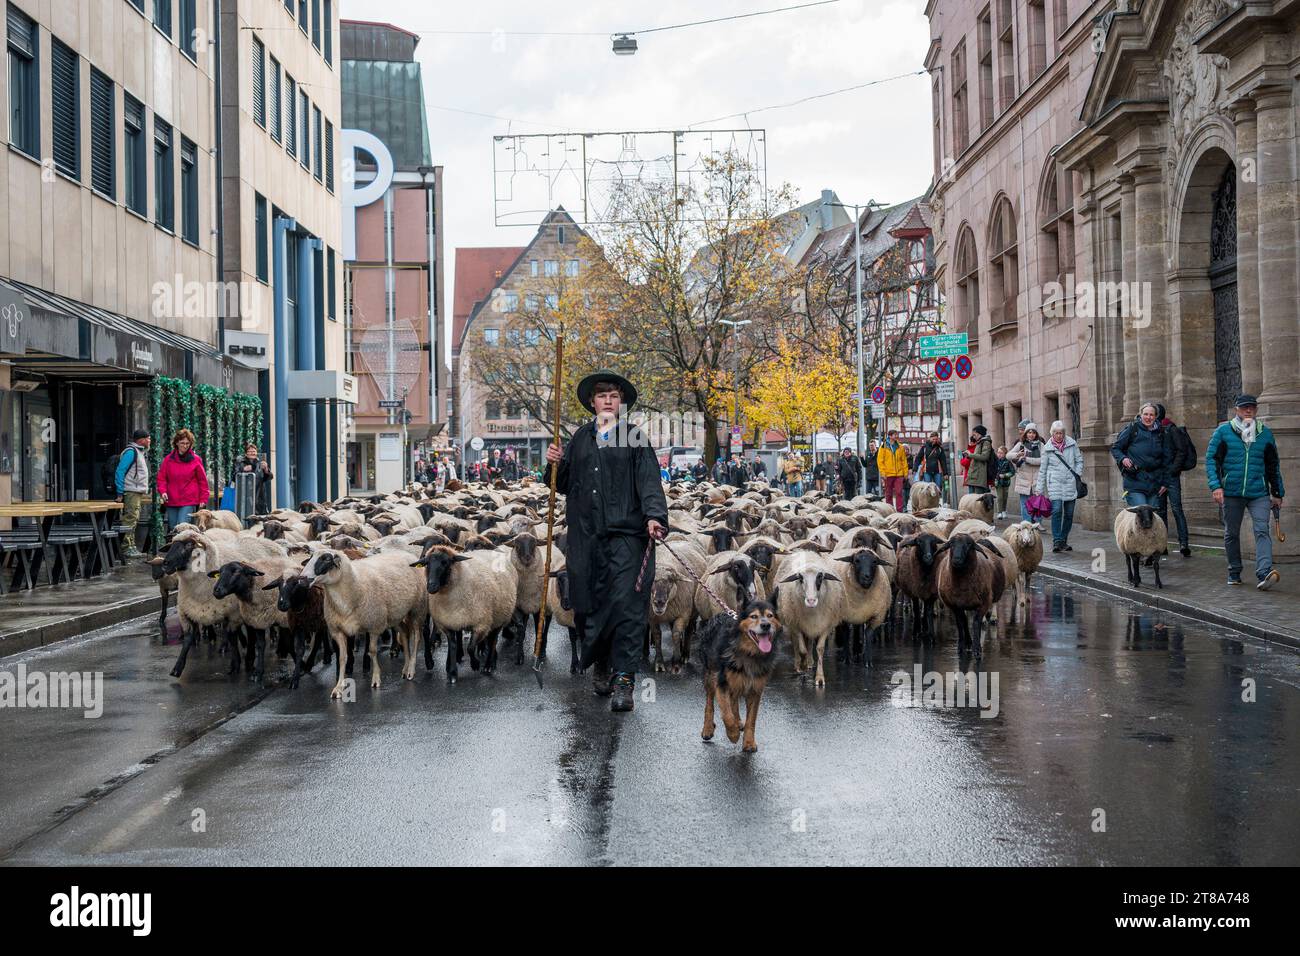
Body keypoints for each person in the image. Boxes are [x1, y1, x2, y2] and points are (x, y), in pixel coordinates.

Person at [544, 370, 668, 712]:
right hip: (585, 539)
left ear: (621, 402)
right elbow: (563, 483)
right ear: (592, 402)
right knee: (588, 606)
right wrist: (553, 464)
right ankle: (600, 661)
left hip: (627, 538)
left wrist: (654, 517)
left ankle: (625, 680)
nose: (609, 400)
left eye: (614, 395)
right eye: (602, 396)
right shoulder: (579, 439)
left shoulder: (635, 439)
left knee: (627, 607)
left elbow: (649, 483)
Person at [1206, 394, 1285, 589]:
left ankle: (1264, 573)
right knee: (1231, 533)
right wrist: (1216, 486)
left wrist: (1277, 493)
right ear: (1237, 410)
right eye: (1244, 407)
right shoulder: (1224, 431)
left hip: (1258, 491)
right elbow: (1211, 460)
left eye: (1251, 407)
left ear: (1256, 410)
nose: (1248, 410)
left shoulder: (1265, 433)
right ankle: (1234, 571)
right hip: (1232, 491)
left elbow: (1273, 465)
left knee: (1262, 530)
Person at [1110, 402, 1172, 509]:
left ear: (1156, 416)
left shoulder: (1161, 432)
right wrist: (1123, 458)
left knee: (1151, 518)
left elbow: (1167, 460)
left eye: (1151, 415)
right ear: (1141, 415)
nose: (1148, 417)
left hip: (1154, 483)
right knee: (1142, 513)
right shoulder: (1133, 428)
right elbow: (1116, 448)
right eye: (1145, 414)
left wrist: (1165, 483)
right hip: (1134, 482)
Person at [1035, 421, 1084, 552]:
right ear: (1052, 433)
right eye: (1056, 433)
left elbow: (1079, 460)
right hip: (1055, 483)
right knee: (1056, 511)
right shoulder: (1047, 448)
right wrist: (1039, 488)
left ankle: (1063, 540)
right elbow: (1043, 469)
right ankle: (1056, 540)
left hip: (1070, 482)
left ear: (1064, 433)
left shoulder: (1072, 444)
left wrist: (1077, 474)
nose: (1059, 435)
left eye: (1061, 433)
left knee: (1069, 514)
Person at [1156, 403, 1195, 557]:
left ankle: (1184, 543)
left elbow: (1181, 451)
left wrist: (1173, 471)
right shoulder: (1152, 431)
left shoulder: (1171, 429)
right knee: (1160, 512)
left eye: (1153, 414)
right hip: (1158, 478)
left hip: (1171, 478)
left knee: (1177, 510)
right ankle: (1162, 544)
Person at [157, 428, 210, 531]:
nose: (185, 446)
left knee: (183, 526)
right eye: (182, 443)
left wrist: (203, 498)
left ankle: (185, 547)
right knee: (173, 528)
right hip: (171, 500)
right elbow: (161, 478)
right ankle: (176, 547)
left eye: (187, 443)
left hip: (189, 500)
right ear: (176, 443)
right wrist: (163, 491)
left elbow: (202, 481)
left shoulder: (196, 459)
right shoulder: (168, 460)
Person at [113, 428, 152, 559]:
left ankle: (131, 546)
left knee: (134, 519)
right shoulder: (131, 452)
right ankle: (126, 548)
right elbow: (120, 471)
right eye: (147, 438)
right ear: (141, 440)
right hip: (131, 491)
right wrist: (119, 492)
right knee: (130, 519)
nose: (149, 440)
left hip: (136, 491)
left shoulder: (140, 452)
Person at [1009, 423, 1045, 524]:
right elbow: (1008, 455)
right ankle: (1027, 524)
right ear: (1026, 433)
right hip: (1023, 479)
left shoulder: (1041, 445)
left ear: (1036, 434)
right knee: (1024, 504)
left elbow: (1043, 460)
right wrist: (1017, 454)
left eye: (1033, 432)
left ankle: (1037, 524)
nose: (1031, 434)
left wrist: (1028, 459)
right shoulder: (1021, 444)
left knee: (1037, 504)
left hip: (1037, 479)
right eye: (1029, 432)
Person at [231, 442, 273, 514]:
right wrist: (243, 470)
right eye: (249, 451)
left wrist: (266, 469)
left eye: (254, 451)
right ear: (246, 453)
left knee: (259, 517)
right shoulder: (240, 462)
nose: (252, 453)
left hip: (259, 495)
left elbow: (269, 477)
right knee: (246, 514)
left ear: (256, 452)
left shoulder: (260, 463)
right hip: (245, 494)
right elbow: (234, 477)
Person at [877, 429, 908, 511]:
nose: (896, 436)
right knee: (889, 493)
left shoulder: (900, 447)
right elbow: (880, 461)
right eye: (894, 435)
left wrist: (905, 473)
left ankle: (899, 511)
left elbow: (903, 460)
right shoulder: (883, 447)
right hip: (888, 474)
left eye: (896, 434)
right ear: (890, 436)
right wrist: (883, 473)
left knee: (899, 492)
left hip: (899, 474)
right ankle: (889, 510)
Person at [964, 425, 993, 493]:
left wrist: (970, 454)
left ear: (979, 433)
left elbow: (984, 456)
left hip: (979, 476)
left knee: (977, 499)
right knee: (971, 499)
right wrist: (969, 455)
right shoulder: (979, 442)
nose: (973, 437)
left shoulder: (986, 442)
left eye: (974, 434)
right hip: (974, 475)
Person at [993, 446, 1014, 519]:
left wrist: (1005, 475)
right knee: (999, 497)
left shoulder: (1008, 462)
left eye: (1001, 453)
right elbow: (992, 471)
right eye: (998, 452)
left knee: (1005, 497)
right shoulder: (995, 461)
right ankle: (999, 512)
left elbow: (1012, 472)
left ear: (1005, 454)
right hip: (997, 482)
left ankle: (1004, 511)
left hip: (1006, 482)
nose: (999, 454)